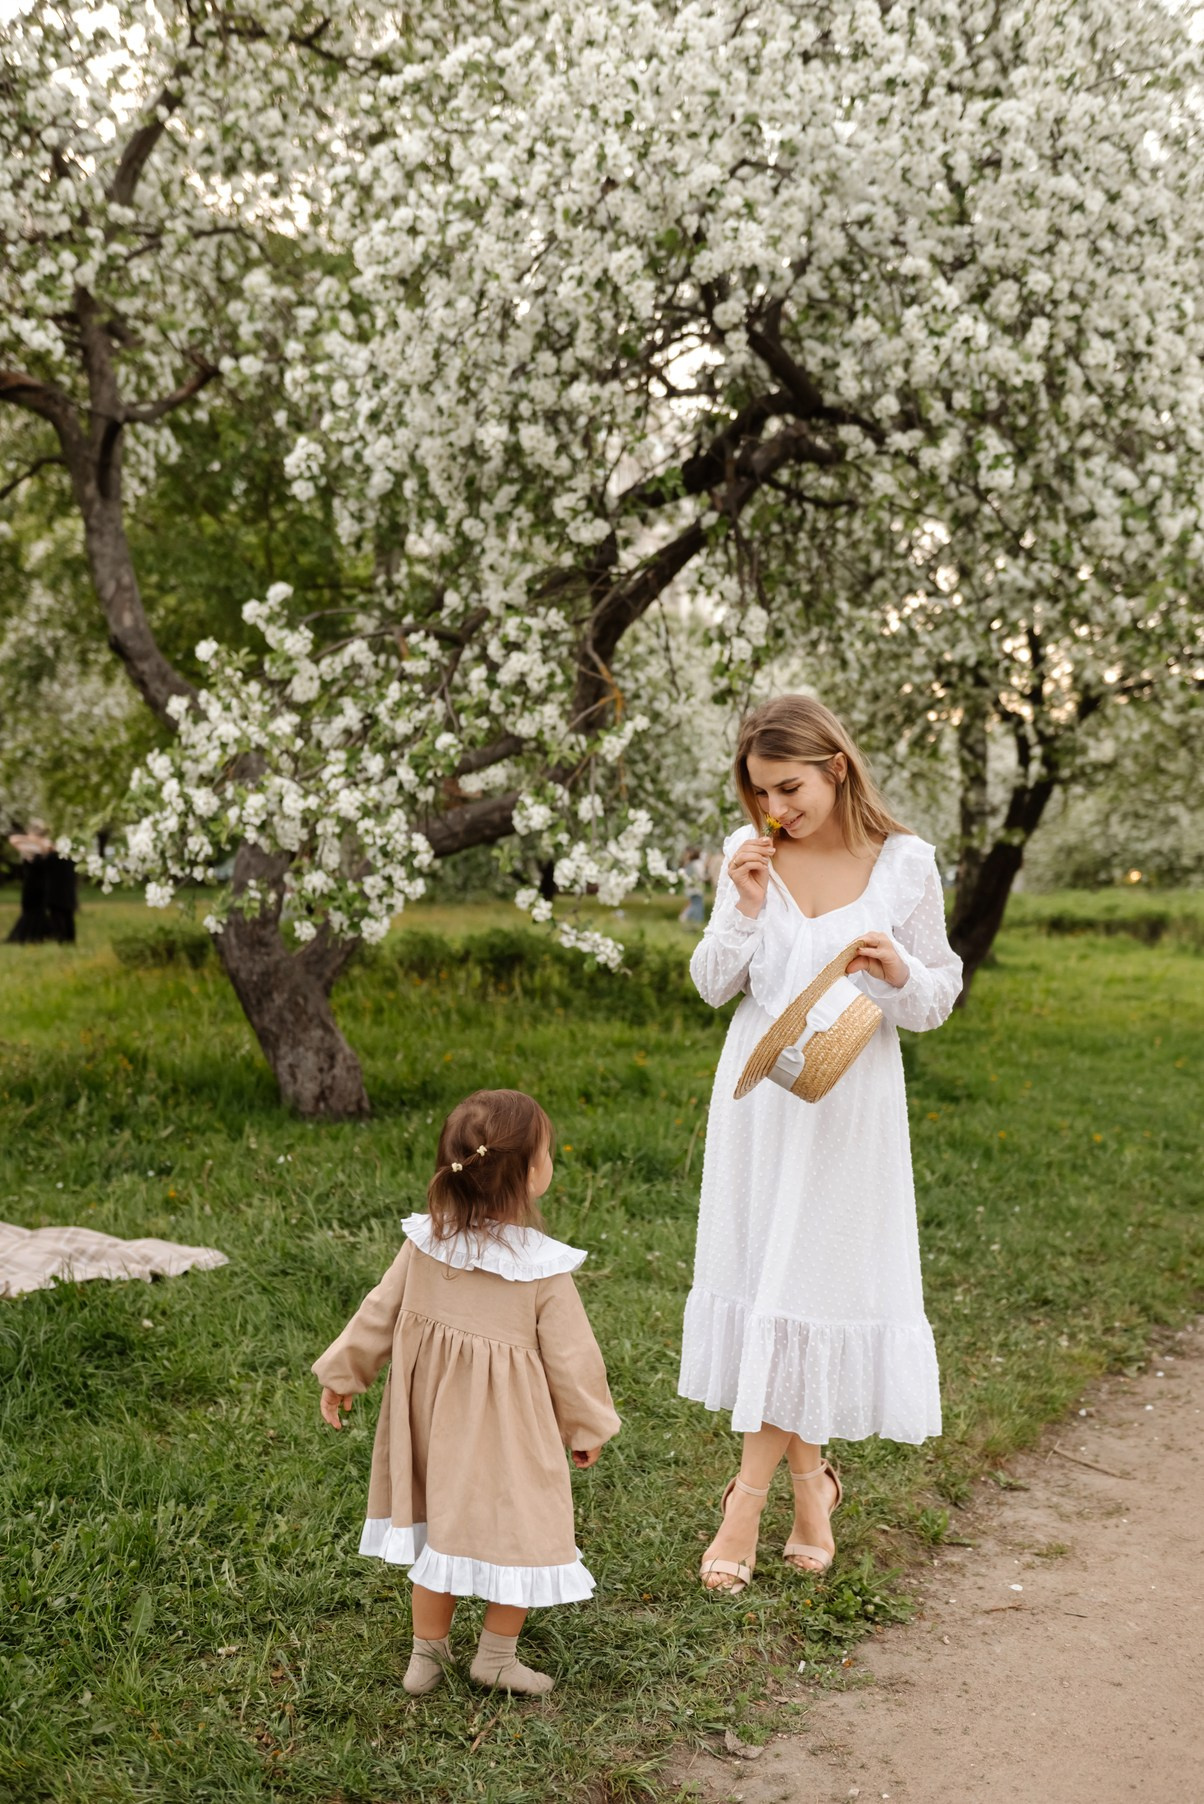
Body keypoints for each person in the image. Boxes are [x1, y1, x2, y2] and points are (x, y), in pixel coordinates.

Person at [679, 695, 962, 1594]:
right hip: (763, 1102)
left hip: (850, 1103)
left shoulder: (906, 865)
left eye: (789, 788)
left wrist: (899, 971)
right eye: (761, 792)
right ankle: (813, 1486)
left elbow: (934, 1001)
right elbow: (712, 984)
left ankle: (744, 1504)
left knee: (804, 1283)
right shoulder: (748, 855)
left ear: (836, 767)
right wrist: (743, 902)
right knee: (776, 1287)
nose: (775, 810)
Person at [313, 1088, 620, 1696]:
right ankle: (495, 1657)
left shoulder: (428, 1242)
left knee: (439, 1530)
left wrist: (344, 1372)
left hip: (434, 1426)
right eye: (547, 1153)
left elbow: (380, 1310)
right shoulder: (541, 1268)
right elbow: (572, 1358)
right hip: (514, 1434)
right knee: (523, 1531)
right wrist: (586, 1428)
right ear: (529, 1176)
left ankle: (426, 1658)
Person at [6, 822, 77, 944]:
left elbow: (47, 850)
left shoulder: (46, 845)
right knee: (31, 909)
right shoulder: (32, 846)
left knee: (40, 910)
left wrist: (36, 841)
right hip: (33, 884)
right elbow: (14, 840)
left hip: (42, 884)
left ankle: (41, 935)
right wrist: (31, 839)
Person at [678, 845, 706, 927]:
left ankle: (695, 920)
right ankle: (686, 917)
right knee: (697, 904)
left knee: (696, 904)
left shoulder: (690, 863)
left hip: (692, 887)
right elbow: (701, 874)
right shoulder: (695, 863)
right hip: (695, 888)